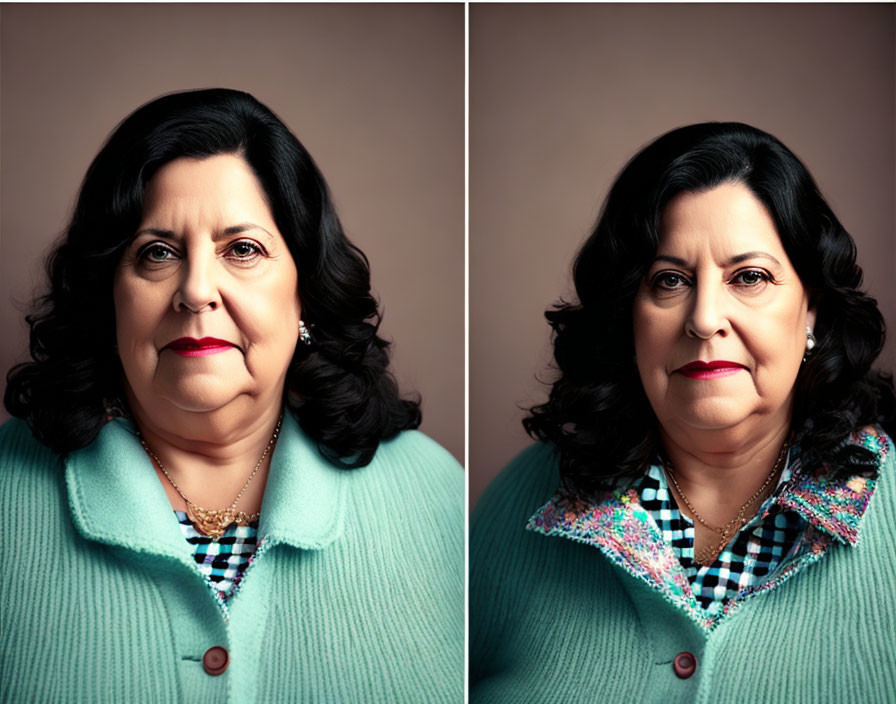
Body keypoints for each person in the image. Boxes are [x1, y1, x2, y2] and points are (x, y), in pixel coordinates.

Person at [1, 89, 463, 703]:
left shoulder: (437, 496)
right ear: (108, 294)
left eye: (241, 250)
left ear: (305, 290)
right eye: (157, 253)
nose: (196, 291)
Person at [470, 122, 896, 702]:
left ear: (813, 309)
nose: (704, 319)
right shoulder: (520, 503)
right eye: (670, 281)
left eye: (749, 277)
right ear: (629, 315)